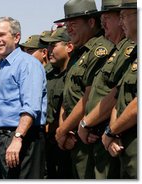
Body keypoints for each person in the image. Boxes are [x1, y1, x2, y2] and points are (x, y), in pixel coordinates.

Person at [73, 0, 136, 179]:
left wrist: (105, 128)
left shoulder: (128, 49)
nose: (103, 23)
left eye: (107, 18)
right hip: (107, 136)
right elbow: (120, 92)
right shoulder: (120, 50)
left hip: (121, 138)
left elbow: (122, 98)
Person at [54, 0, 114, 179]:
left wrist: (62, 130)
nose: (68, 29)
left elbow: (88, 97)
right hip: (74, 135)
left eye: (73, 24)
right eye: (66, 25)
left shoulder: (99, 50)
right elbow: (68, 96)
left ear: (91, 22)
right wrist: (63, 129)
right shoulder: (78, 54)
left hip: (91, 134)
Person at [0, 16, 47, 179]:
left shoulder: (27, 64)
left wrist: (18, 138)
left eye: (2, 35)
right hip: (3, 140)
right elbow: (0, 113)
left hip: (23, 138)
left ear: (16, 37)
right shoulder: (2, 68)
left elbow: (31, 107)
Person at [101, 0, 137, 179]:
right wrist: (112, 131)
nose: (121, 21)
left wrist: (111, 131)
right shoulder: (134, 53)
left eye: (123, 16)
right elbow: (121, 96)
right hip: (124, 146)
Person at [40, 26, 74, 178]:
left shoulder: (74, 73)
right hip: (48, 143)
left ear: (69, 46)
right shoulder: (49, 75)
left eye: (54, 45)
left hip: (68, 140)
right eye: (48, 46)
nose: (49, 50)